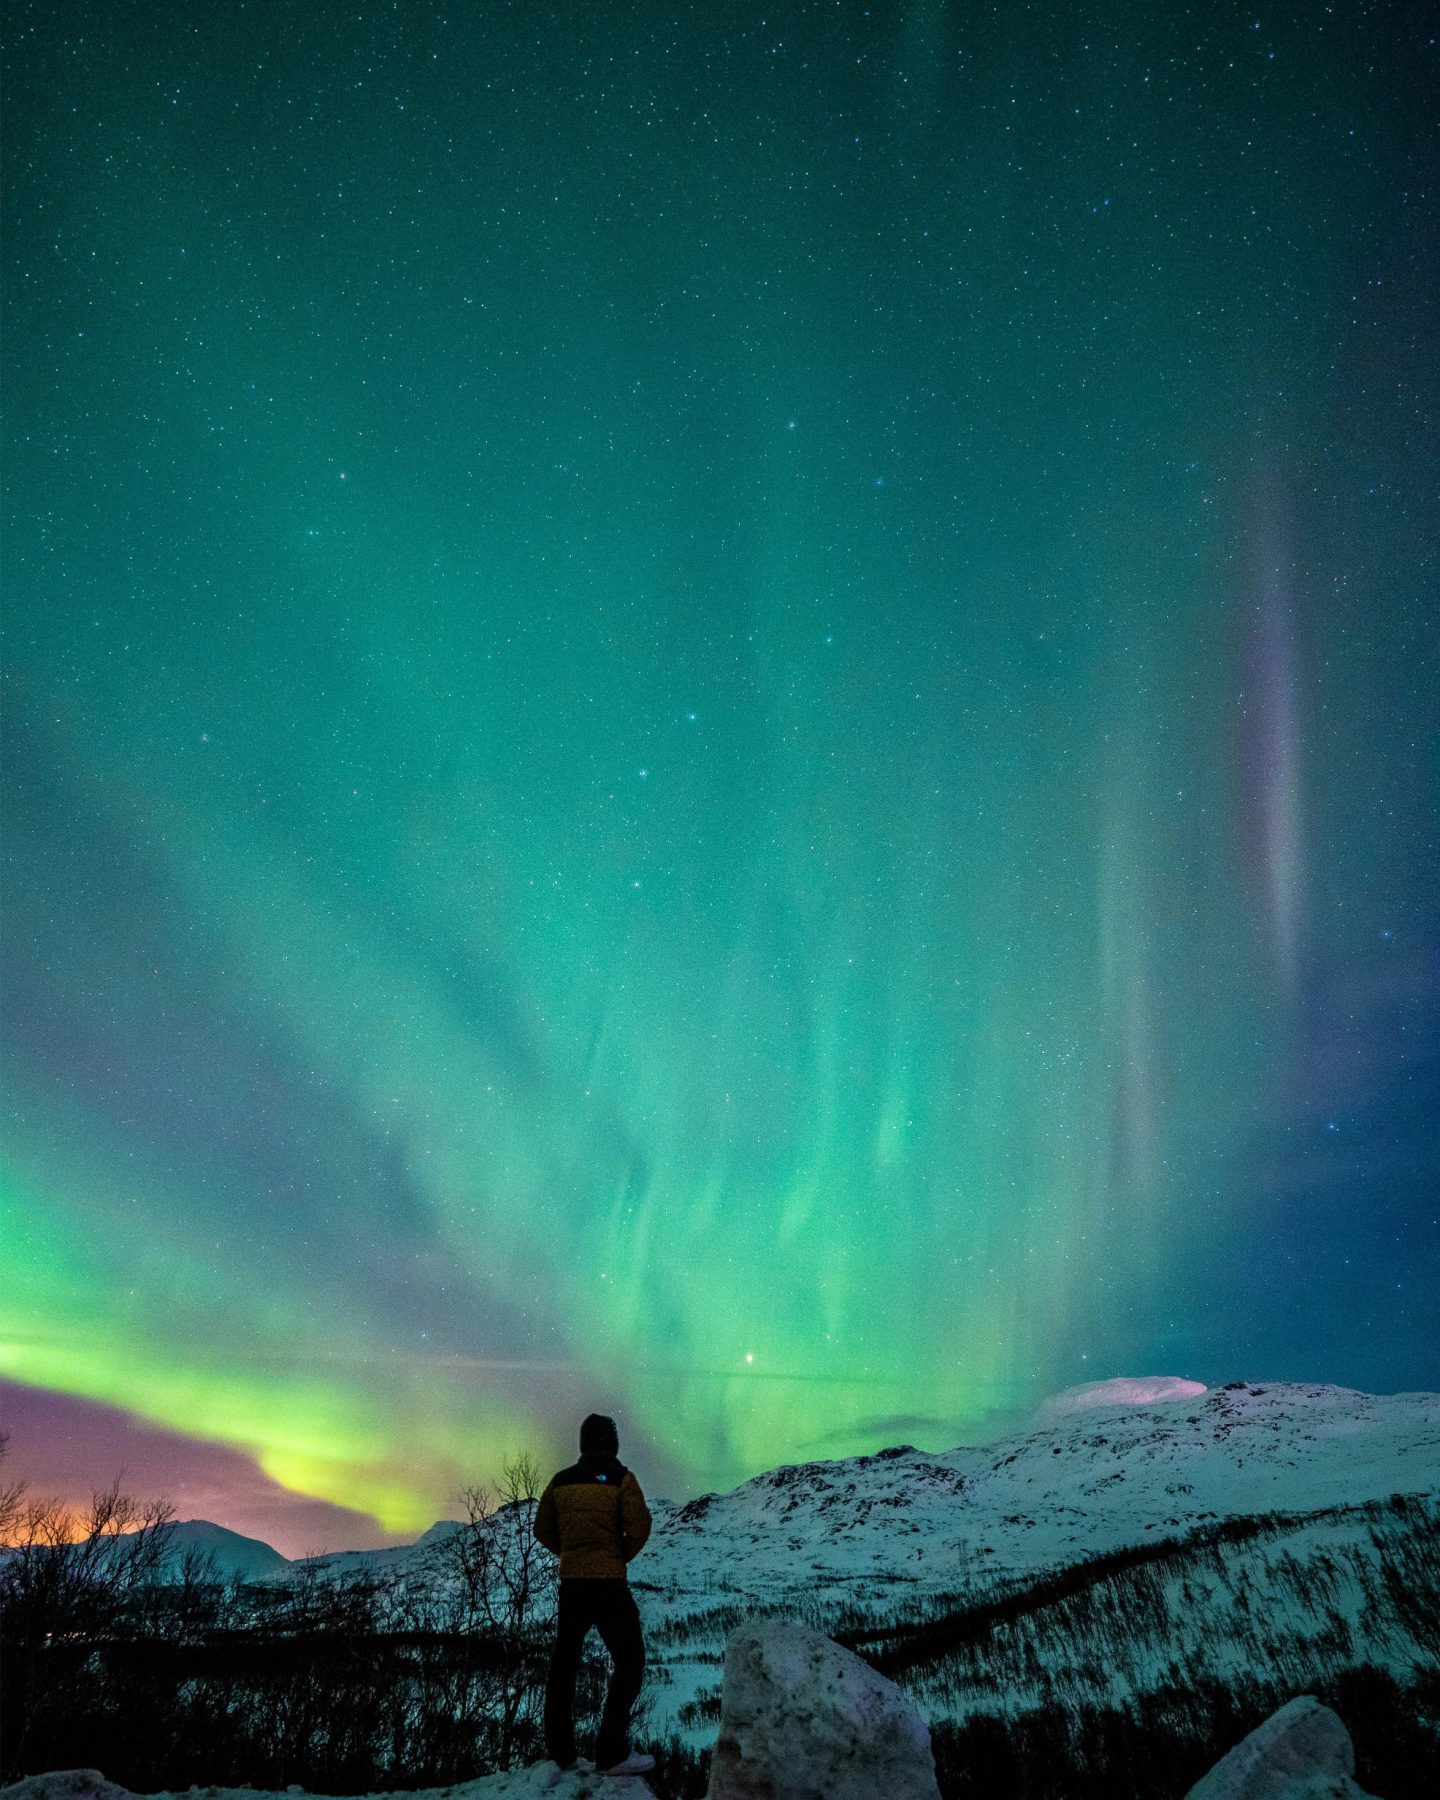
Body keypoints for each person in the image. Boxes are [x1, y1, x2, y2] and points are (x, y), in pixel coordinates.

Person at [533, 1412, 654, 1777]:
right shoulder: (623, 1479)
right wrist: (617, 1555)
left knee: (564, 1665)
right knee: (630, 1662)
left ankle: (561, 1752)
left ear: (583, 1442)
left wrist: (571, 1553)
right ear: (613, 1443)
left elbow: (542, 1529)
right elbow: (640, 1527)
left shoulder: (560, 1482)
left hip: (572, 1585)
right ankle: (611, 1752)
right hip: (609, 1585)